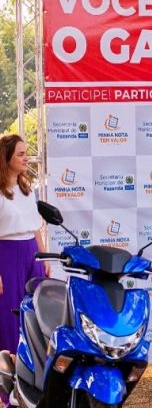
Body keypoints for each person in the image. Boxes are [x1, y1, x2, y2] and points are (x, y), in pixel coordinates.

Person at [0, 135, 48, 407]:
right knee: (9, 322)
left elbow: (35, 226)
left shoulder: (27, 188)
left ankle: (35, 387)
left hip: (31, 255)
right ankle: (9, 393)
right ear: (6, 158)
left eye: (25, 153)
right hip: (5, 257)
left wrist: (43, 256)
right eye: (20, 154)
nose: (25, 158)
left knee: (35, 318)